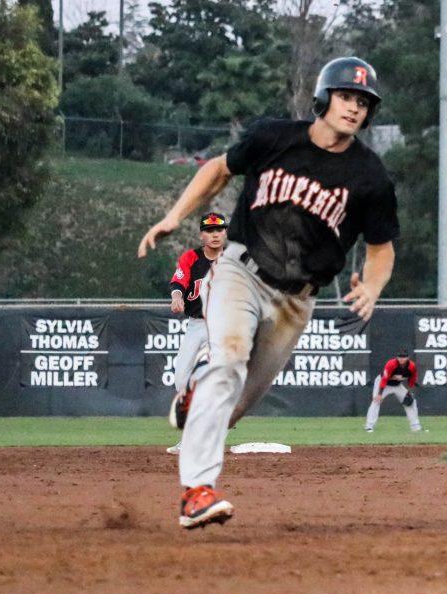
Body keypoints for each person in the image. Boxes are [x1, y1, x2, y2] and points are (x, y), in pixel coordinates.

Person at [137, 56, 398, 530]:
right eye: (345, 96)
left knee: (233, 407)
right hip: (242, 270)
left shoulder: (369, 176)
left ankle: (195, 398)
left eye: (363, 102)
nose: (354, 107)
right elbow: (218, 170)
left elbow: (381, 248)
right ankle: (197, 491)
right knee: (229, 357)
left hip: (298, 300)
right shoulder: (275, 138)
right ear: (323, 98)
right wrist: (175, 216)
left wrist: (374, 285)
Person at [163, 211, 227, 455]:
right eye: (210, 231)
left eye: (219, 230)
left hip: (223, 326)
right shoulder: (191, 257)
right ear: (202, 235)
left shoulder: (234, 260)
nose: (215, 235)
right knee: (182, 380)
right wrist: (176, 297)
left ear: (225, 233)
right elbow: (178, 283)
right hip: (196, 325)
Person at [364, 348, 422, 433]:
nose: (401, 359)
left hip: (397, 385)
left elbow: (412, 380)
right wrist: (380, 394)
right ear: (397, 357)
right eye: (399, 357)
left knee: (412, 402)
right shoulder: (391, 364)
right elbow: (384, 379)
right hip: (383, 384)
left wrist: (409, 392)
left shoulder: (412, 366)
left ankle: (416, 427)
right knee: (376, 401)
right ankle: (369, 426)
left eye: (404, 357)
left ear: (408, 358)